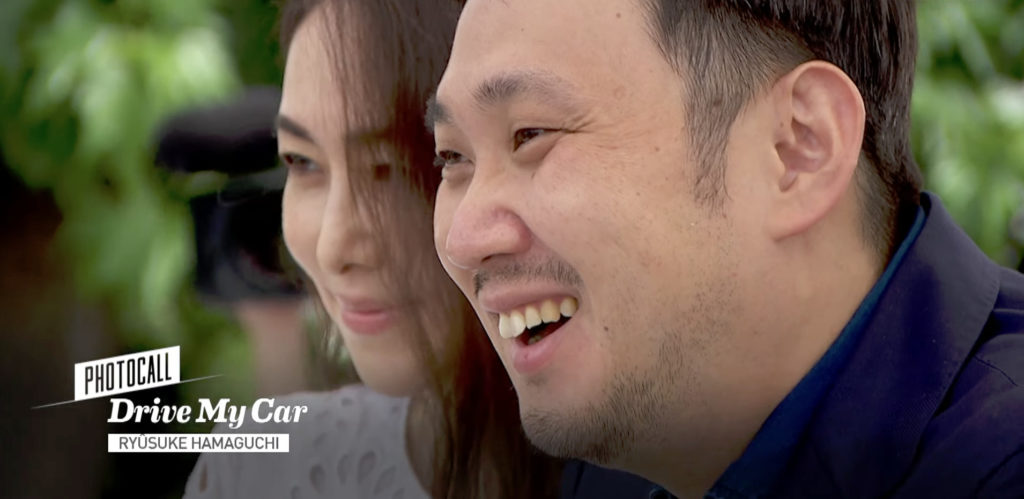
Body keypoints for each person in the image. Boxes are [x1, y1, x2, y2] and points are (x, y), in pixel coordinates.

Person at [429, 1, 1024, 498]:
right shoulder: (619, 457)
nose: (463, 241)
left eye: (530, 134)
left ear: (798, 148)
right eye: (452, 158)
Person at [184, 0, 560, 497]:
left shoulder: (654, 463)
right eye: (301, 162)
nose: (333, 247)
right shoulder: (260, 473)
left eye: (388, 169)